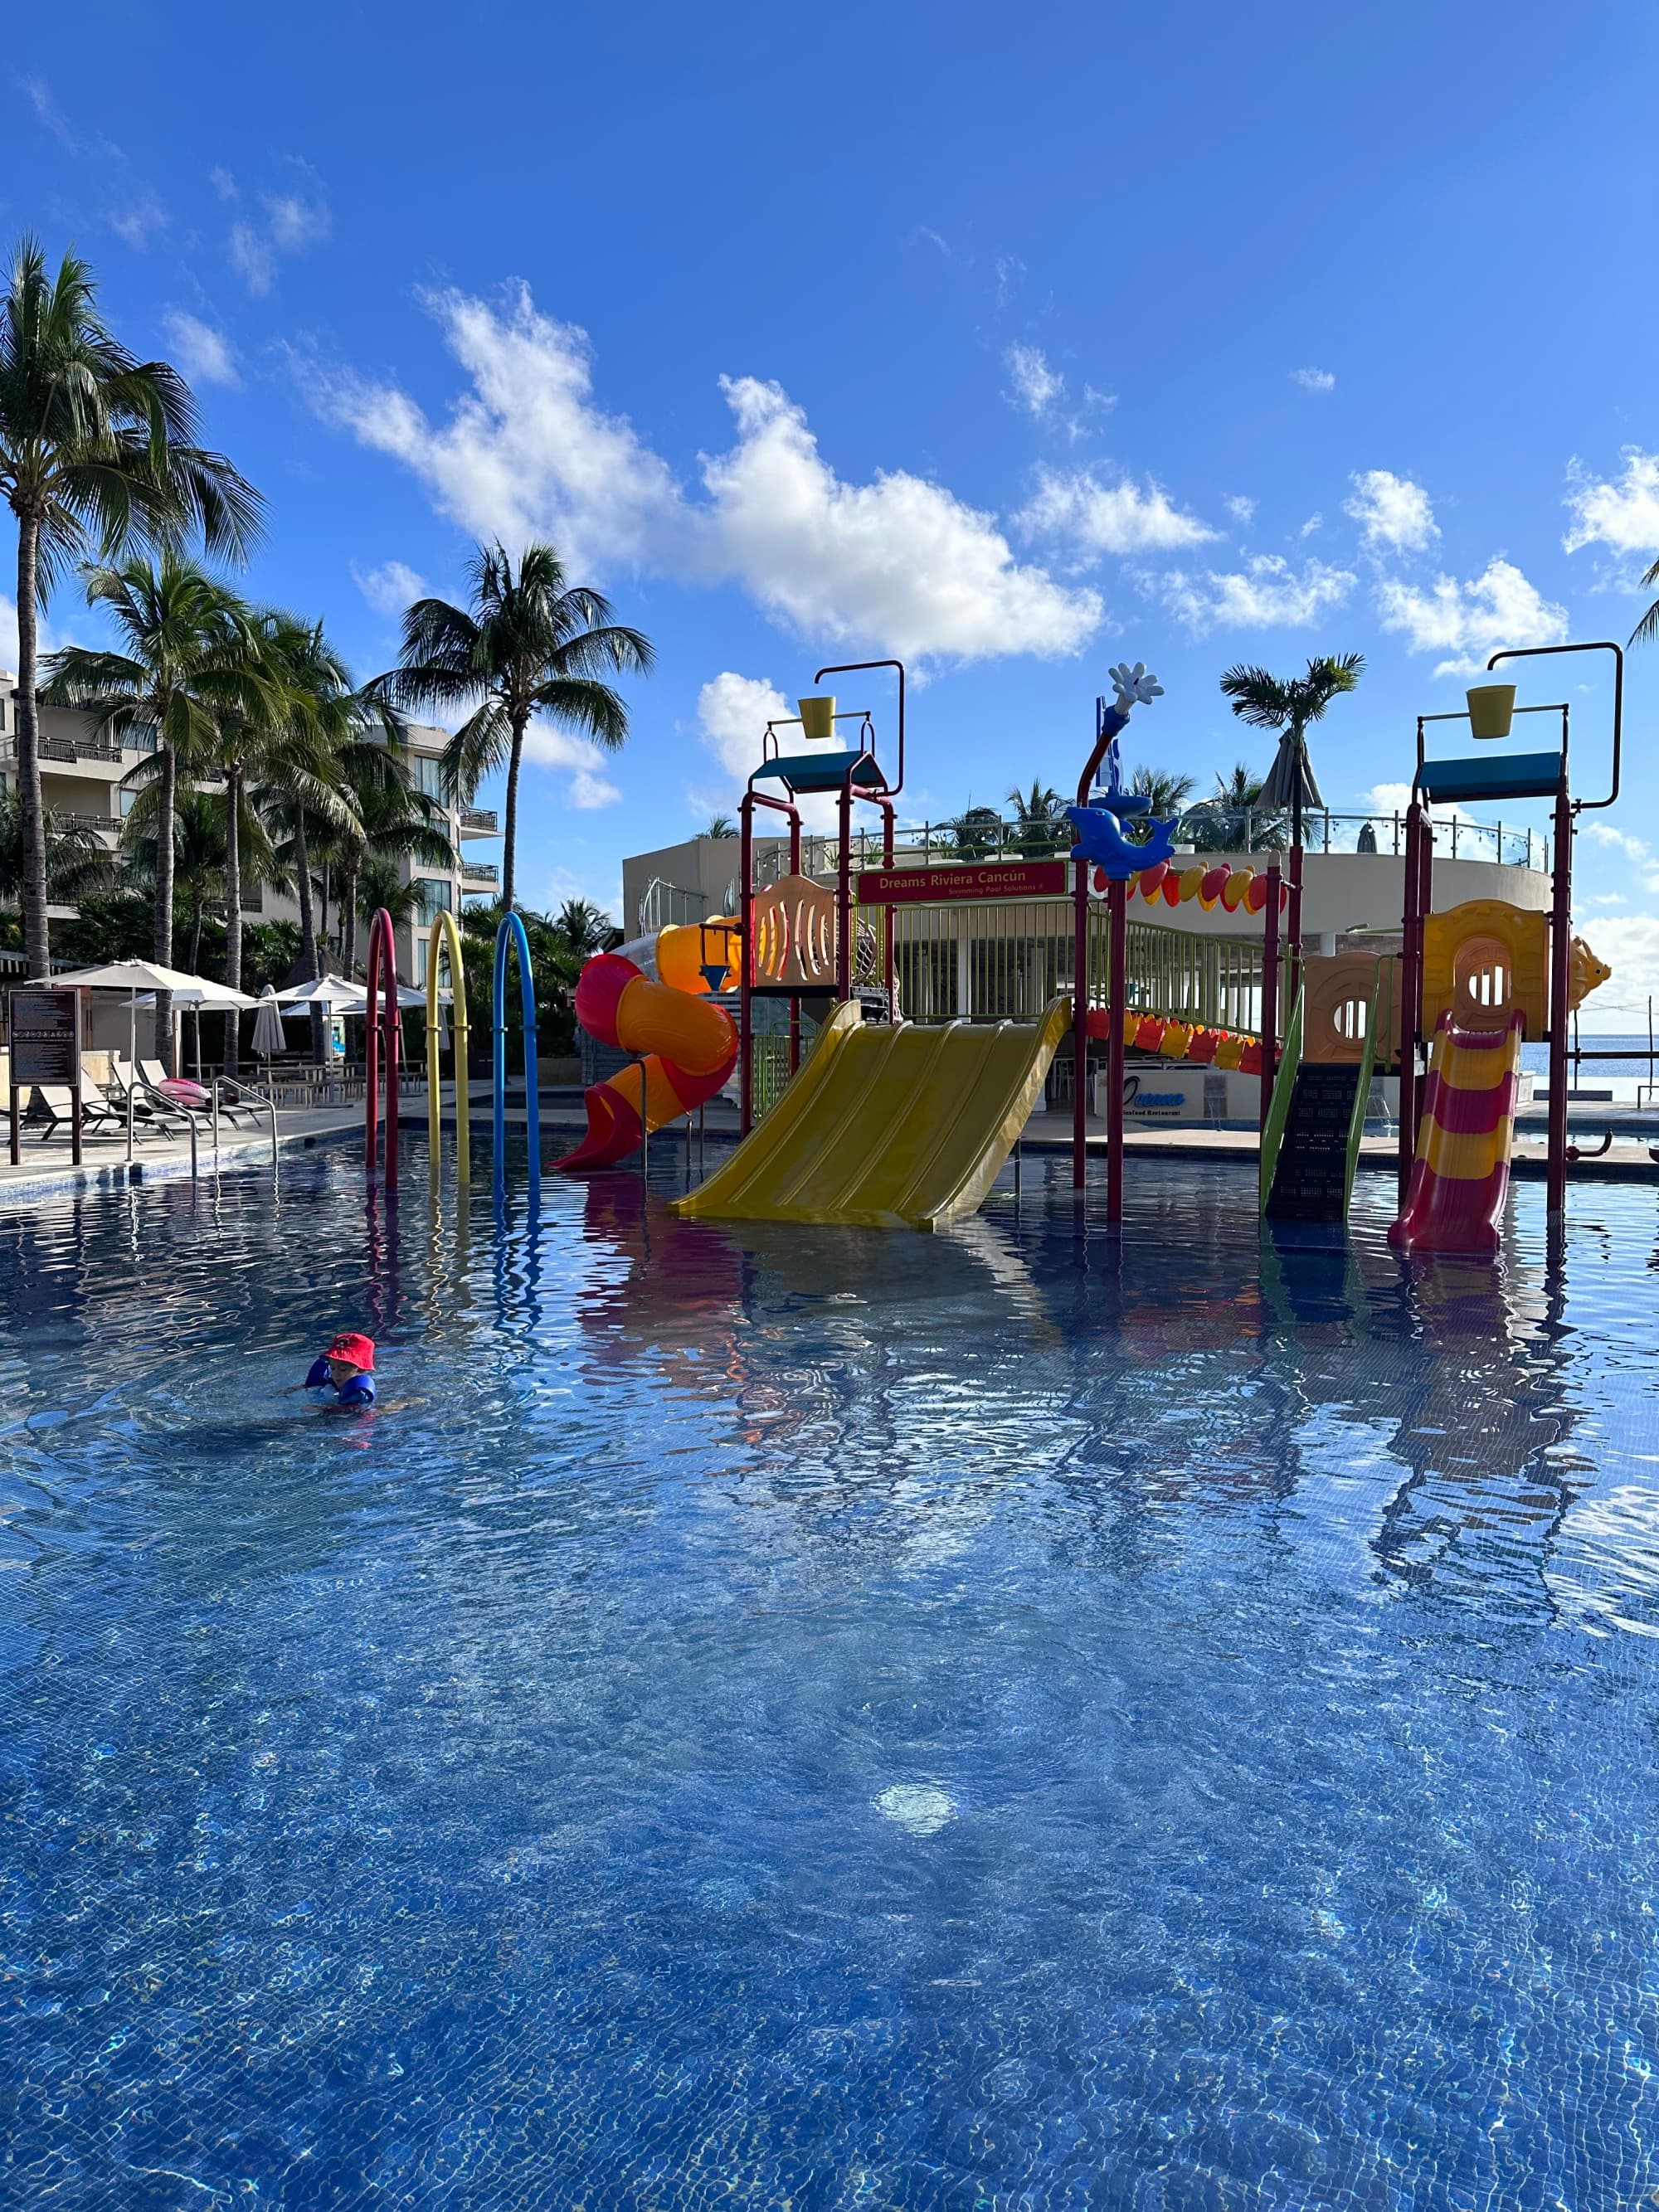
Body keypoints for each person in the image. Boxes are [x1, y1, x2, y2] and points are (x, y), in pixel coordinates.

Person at [301, 1330, 377, 1409]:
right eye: (332, 1368)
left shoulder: (360, 1391)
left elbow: (351, 1410)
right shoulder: (333, 1381)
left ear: (361, 1370)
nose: (335, 1374)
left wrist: (323, 1409)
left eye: (342, 1369)